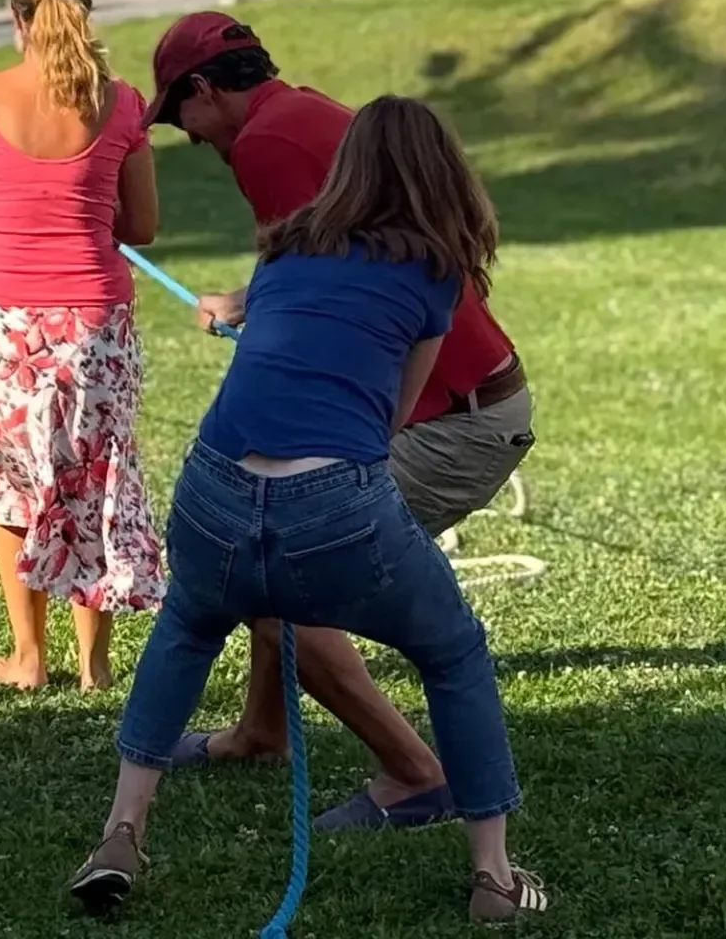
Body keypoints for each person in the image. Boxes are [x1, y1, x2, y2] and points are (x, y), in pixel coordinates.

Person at [68, 97, 547, 926]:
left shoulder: (286, 248)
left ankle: (121, 831)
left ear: (347, 164)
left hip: (213, 486)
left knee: (189, 625)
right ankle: (495, 879)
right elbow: (390, 419)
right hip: (333, 501)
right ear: (444, 175)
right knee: (453, 652)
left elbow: (278, 333)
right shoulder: (435, 270)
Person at [141, 12, 535, 833]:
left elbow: (323, 278)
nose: (191, 138)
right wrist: (246, 302)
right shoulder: (307, 110)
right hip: (472, 398)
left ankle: (418, 776)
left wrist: (252, 317)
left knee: (279, 576)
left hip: (451, 420)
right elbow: (334, 269)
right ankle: (262, 731)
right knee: (277, 561)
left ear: (205, 91)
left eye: (181, 117)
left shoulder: (267, 145)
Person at [0, 0, 165, 693]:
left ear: (15, 16)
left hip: (2, 325)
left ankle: (28, 656)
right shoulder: (123, 103)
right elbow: (142, 226)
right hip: (94, 326)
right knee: (92, 482)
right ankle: (93, 664)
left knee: (11, 485)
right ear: (86, 11)